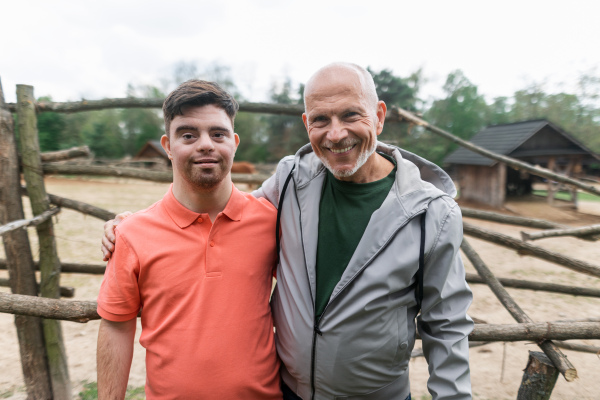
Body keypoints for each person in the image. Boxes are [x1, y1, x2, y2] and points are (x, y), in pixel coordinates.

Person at [103, 63, 473, 400]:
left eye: (350, 115)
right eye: (320, 119)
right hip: (291, 394)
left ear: (378, 117)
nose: (336, 133)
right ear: (306, 123)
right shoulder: (292, 181)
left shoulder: (433, 215)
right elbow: (211, 205)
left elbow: (447, 325)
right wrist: (132, 225)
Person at [96, 80, 282, 399]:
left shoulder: (272, 221)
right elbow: (116, 326)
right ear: (168, 146)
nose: (205, 144)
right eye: (188, 135)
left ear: (234, 143)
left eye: (218, 133)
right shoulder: (132, 233)